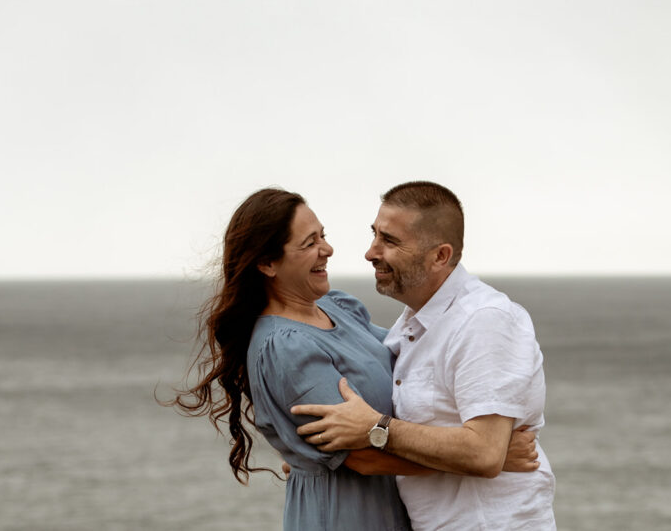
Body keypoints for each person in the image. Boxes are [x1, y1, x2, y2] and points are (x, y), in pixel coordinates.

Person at [161, 187, 538, 530]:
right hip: (347, 513)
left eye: (323, 235)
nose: (327, 249)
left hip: (396, 507)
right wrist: (492, 458)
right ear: (267, 264)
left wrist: (481, 443)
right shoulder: (285, 346)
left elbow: (413, 356)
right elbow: (361, 458)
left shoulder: (337, 308)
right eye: (309, 243)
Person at [292, 181, 556, 530]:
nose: (371, 252)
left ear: (440, 256)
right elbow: (489, 454)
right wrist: (308, 457)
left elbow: (483, 453)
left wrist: (375, 428)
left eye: (390, 241)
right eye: (374, 235)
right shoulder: (412, 328)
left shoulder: (484, 321)